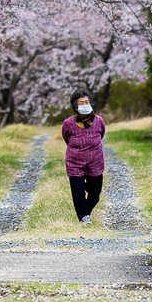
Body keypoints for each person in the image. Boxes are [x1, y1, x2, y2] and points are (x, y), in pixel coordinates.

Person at [61, 88, 106, 224]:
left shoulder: (99, 121)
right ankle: (84, 217)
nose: (85, 105)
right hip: (75, 163)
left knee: (95, 194)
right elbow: (66, 138)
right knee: (78, 192)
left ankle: (85, 212)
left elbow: (101, 134)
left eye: (87, 102)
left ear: (91, 103)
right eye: (81, 103)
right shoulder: (68, 123)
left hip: (95, 163)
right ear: (75, 106)